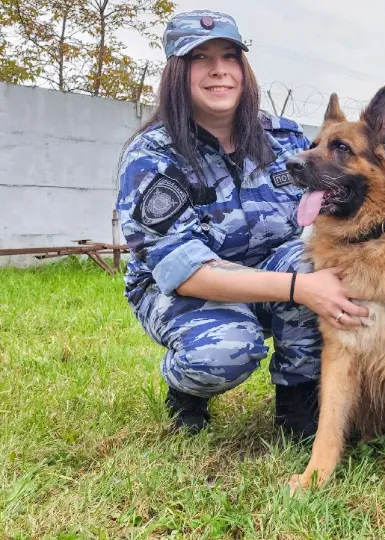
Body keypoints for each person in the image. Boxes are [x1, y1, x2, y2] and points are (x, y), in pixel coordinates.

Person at [115, 10, 368, 439]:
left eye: (230, 56)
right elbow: (187, 271)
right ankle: (186, 388)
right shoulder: (153, 156)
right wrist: (299, 288)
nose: (219, 70)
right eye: (200, 58)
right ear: (177, 72)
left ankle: (299, 402)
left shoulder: (283, 139)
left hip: (271, 269)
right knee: (226, 349)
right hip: (182, 288)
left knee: (329, 269)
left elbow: (341, 203)